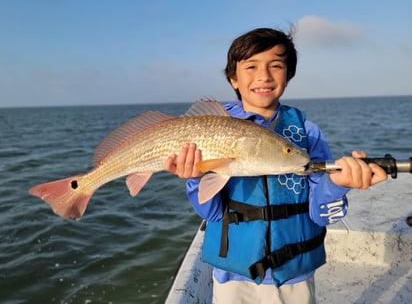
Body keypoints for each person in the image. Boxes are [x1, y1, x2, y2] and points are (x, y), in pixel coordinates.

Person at [164, 27, 388, 304]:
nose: (264, 76)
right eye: (251, 66)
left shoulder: (307, 132)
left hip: (293, 277)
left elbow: (322, 216)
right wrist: (196, 178)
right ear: (233, 78)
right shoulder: (210, 129)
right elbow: (211, 214)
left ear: (288, 75)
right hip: (233, 278)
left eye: (276, 65)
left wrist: (337, 185)